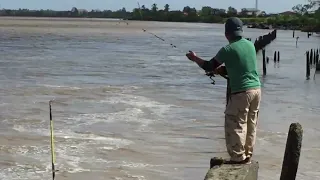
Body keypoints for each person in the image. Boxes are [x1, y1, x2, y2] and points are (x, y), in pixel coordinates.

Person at [186, 17, 261, 164]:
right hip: (256, 90)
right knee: (251, 124)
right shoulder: (250, 45)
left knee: (234, 124)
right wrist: (222, 70)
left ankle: (238, 158)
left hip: (242, 92)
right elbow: (240, 66)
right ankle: (248, 155)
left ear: (227, 34)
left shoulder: (228, 49)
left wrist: (195, 58)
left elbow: (209, 65)